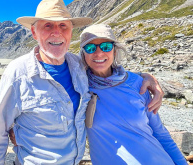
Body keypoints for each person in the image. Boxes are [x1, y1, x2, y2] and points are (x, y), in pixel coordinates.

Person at [0, 0, 164, 164]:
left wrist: (146, 79)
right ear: (34, 32)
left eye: (63, 26)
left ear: (71, 32)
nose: (57, 33)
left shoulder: (79, 66)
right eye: (48, 26)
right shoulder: (18, 74)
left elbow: (109, 74)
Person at [80, 24, 187, 165]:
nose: (98, 53)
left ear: (115, 51)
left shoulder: (138, 83)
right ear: (83, 54)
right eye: (90, 48)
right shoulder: (79, 87)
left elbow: (161, 134)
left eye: (106, 47)